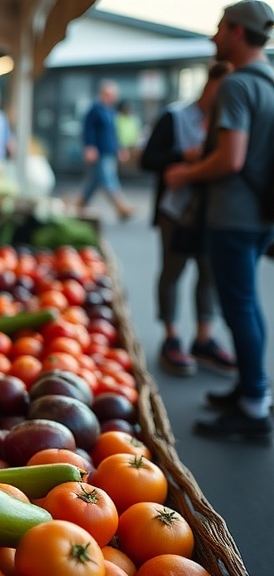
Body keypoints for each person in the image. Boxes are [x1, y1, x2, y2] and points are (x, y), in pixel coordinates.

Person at [165, 0, 274, 443]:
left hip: (233, 215)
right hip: (262, 214)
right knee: (248, 303)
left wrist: (185, 173)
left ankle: (254, 407)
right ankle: (251, 390)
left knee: (239, 306)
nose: (214, 37)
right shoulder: (270, 83)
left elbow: (231, 159)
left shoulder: (237, 85)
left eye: (220, 28)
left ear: (237, 32)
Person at [140, 61, 236, 378]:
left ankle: (204, 338)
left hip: (213, 212)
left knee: (209, 273)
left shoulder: (231, 122)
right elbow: (148, 159)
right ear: (211, 84)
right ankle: (171, 336)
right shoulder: (175, 116)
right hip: (177, 212)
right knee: (173, 270)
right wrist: (185, 157)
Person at [78, 81, 136, 220]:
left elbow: (113, 133)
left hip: (109, 151)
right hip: (100, 152)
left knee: (94, 181)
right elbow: (89, 130)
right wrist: (90, 147)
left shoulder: (110, 111)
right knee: (109, 179)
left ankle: (79, 205)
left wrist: (119, 148)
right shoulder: (95, 109)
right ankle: (121, 207)